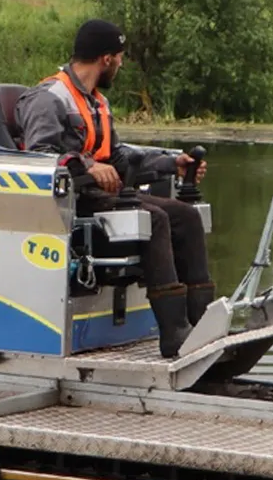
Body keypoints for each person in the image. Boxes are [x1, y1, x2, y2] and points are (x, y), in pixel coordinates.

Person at [15, 19, 214, 358]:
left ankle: (202, 323)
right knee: (154, 220)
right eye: (120, 58)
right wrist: (90, 166)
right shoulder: (49, 99)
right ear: (106, 59)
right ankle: (174, 334)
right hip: (72, 201)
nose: (121, 65)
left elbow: (119, 158)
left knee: (185, 216)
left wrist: (171, 163)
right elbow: (40, 157)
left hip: (103, 196)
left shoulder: (97, 103)